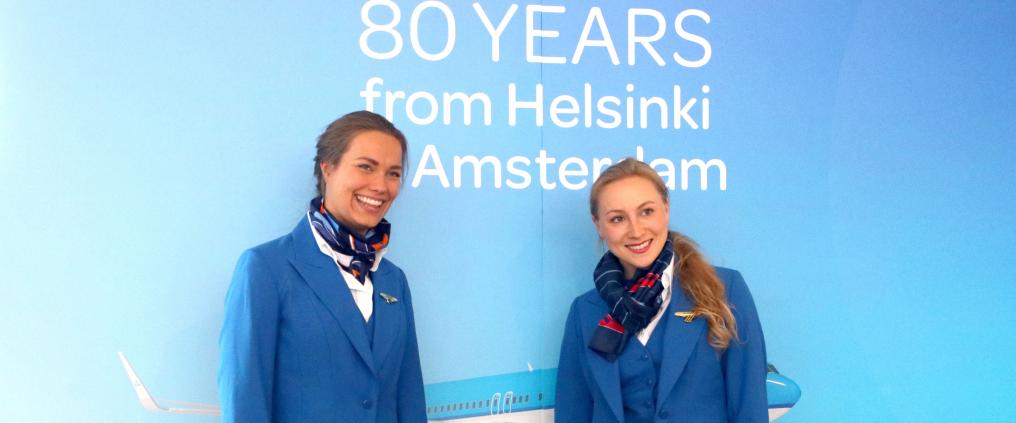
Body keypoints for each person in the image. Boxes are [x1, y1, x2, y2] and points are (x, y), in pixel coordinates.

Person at [218, 111, 426, 423]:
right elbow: (245, 401)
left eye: (393, 173)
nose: (380, 186)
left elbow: (409, 401)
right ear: (327, 169)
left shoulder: (393, 280)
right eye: (366, 167)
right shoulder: (267, 269)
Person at [555, 159, 768, 423]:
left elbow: (750, 406)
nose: (635, 230)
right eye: (618, 218)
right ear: (598, 224)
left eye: (646, 212)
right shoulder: (584, 312)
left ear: (665, 210)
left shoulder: (726, 289)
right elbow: (572, 412)